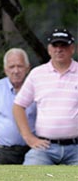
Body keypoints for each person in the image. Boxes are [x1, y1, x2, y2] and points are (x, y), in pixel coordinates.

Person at [13, 28, 78, 165]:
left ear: (72, 48)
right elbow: (18, 106)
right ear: (49, 49)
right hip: (45, 147)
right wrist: (28, 137)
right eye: (55, 45)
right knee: (30, 174)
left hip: (76, 146)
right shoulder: (37, 74)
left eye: (63, 45)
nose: (59, 50)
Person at [0, 48, 36, 164]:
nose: (16, 71)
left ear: (28, 68)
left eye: (20, 66)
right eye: (11, 67)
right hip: (2, 152)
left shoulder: (37, 88)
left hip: (33, 150)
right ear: (5, 70)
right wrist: (0, 142)